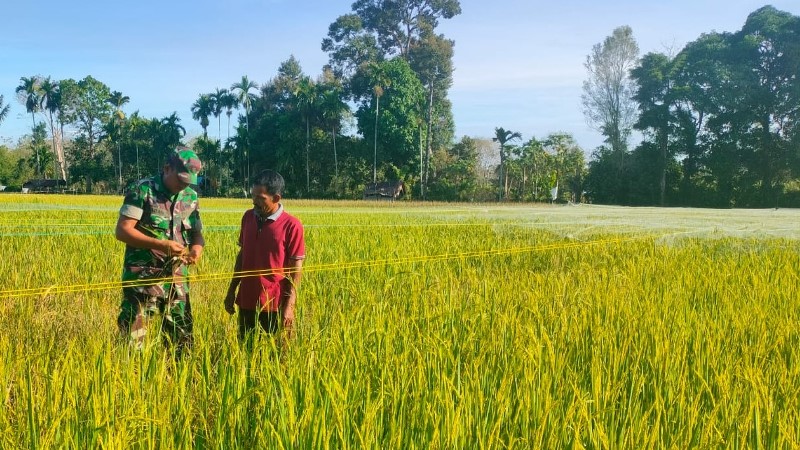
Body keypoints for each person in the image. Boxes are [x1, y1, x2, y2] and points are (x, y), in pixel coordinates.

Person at [115, 147, 205, 358]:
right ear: (167, 169)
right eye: (180, 179)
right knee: (134, 340)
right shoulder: (143, 191)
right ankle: (134, 383)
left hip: (177, 279)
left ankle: (176, 382)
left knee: (181, 339)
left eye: (188, 181)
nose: (183, 185)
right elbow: (122, 230)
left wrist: (196, 250)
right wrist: (161, 244)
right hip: (143, 277)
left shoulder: (190, 196)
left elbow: (197, 235)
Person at [225, 170, 305, 345]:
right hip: (247, 299)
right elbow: (243, 255)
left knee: (276, 357)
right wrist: (232, 290)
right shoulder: (247, 217)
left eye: (260, 198)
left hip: (274, 304)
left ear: (276, 198)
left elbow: (296, 270)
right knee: (246, 351)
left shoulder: (292, 225)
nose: (255, 202)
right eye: (253, 196)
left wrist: (289, 306)